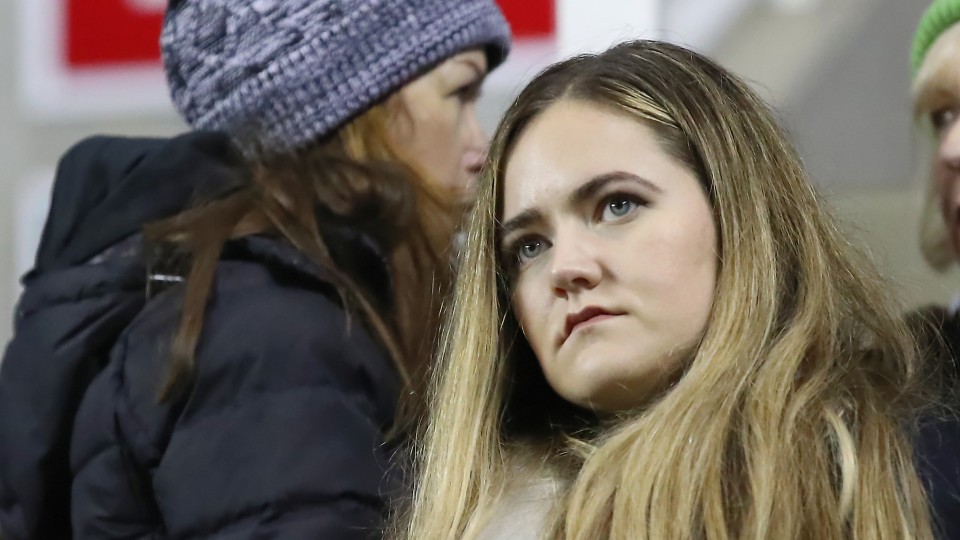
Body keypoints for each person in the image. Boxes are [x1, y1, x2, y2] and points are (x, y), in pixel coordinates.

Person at [397, 40, 960, 539]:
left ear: (739, 213)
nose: (565, 267)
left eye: (618, 205)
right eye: (528, 246)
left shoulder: (917, 467)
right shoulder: (464, 514)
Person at [0, 1, 509, 538]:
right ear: (353, 104)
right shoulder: (279, 336)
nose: (481, 146)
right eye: (460, 93)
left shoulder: (260, 304)